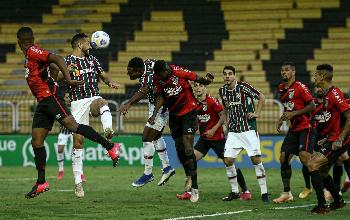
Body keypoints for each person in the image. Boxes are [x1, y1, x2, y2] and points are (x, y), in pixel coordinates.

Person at [17, 27, 120, 199]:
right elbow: (51, 64)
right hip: (43, 101)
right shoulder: (30, 56)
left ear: (20, 41)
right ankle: (41, 182)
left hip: (51, 97)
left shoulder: (33, 50)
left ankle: (110, 146)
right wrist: (60, 72)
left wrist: (68, 77)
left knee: (73, 126)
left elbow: (56, 58)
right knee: (36, 140)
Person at [56, 33, 120, 197]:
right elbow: (56, 78)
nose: (90, 45)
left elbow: (103, 76)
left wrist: (110, 82)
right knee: (78, 143)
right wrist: (64, 73)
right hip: (77, 103)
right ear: (79, 45)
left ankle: (108, 131)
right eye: (87, 43)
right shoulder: (67, 61)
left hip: (92, 98)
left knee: (103, 103)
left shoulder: (93, 60)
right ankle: (78, 183)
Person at [148, 60, 214, 203]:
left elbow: (196, 77)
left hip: (189, 112)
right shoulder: (157, 78)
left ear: (167, 69)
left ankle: (194, 188)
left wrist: (207, 81)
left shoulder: (178, 71)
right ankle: (189, 176)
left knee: (189, 148)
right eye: (161, 74)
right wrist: (154, 114)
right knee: (179, 148)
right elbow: (161, 96)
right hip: (174, 115)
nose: (164, 75)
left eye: (165, 72)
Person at [176, 82, 250, 201]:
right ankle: (190, 191)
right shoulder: (194, 103)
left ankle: (245, 190)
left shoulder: (212, 101)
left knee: (228, 162)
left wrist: (213, 129)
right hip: (204, 139)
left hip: (217, 138)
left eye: (200, 86)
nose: (198, 88)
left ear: (205, 88)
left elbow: (223, 116)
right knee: (190, 160)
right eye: (196, 86)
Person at [119, 57, 175, 187]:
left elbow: (143, 91)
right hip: (154, 104)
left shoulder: (148, 76)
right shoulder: (148, 64)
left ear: (139, 70)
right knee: (156, 137)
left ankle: (148, 173)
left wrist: (128, 103)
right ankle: (167, 168)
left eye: (131, 72)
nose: (129, 74)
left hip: (161, 105)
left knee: (146, 137)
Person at [219, 65, 269, 202]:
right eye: (225, 74)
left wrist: (257, 113)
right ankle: (235, 191)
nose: (227, 76)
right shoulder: (222, 90)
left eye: (230, 74)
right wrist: (227, 123)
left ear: (234, 75)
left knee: (256, 160)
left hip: (248, 130)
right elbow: (225, 107)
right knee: (228, 160)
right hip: (234, 131)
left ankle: (264, 193)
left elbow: (261, 97)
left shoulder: (243, 87)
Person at [307, 63, 349, 214]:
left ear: (323, 77)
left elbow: (349, 116)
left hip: (340, 140)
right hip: (331, 139)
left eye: (316, 74)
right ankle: (338, 201)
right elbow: (335, 120)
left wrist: (339, 139)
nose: (314, 77)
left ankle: (322, 205)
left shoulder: (334, 93)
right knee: (323, 172)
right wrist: (326, 138)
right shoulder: (325, 95)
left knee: (312, 164)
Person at [273, 62, 316, 203]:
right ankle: (287, 193)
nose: (283, 72)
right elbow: (288, 108)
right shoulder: (281, 88)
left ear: (293, 72)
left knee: (305, 158)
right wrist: (282, 119)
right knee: (283, 158)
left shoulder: (300, 87)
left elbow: (312, 105)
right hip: (294, 129)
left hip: (306, 127)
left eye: (287, 70)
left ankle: (325, 188)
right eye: (282, 70)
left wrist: (294, 114)